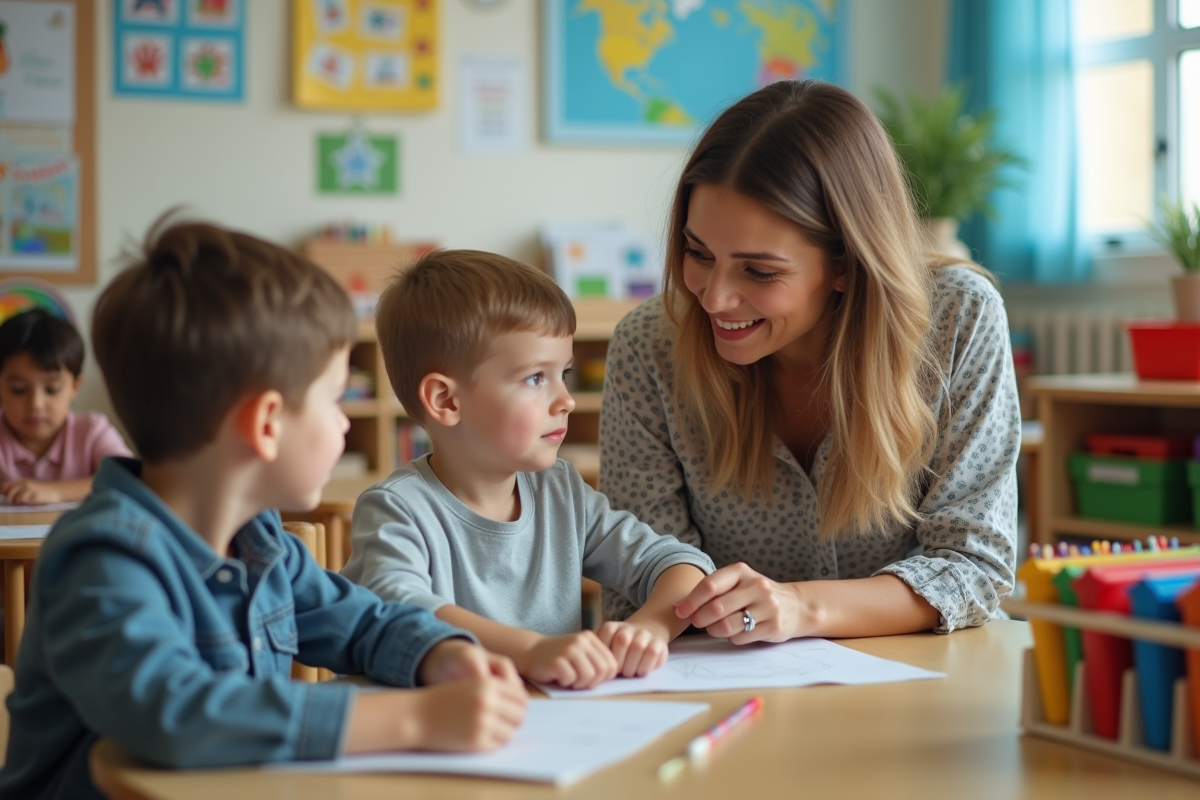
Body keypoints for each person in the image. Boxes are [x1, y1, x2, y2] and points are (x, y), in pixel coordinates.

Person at [0, 220, 527, 800]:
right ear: (266, 424)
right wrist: (419, 721)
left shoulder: (262, 544)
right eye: (334, 399)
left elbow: (364, 622)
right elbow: (174, 715)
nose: (346, 422)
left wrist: (441, 655)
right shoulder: (100, 560)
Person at [599, 79, 1020, 642]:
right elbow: (638, 582)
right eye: (698, 254)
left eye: (759, 271)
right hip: (724, 690)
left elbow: (974, 567)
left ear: (847, 264)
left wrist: (800, 609)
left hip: (919, 680)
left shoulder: (958, 320)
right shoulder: (649, 347)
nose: (714, 297)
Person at [341, 250, 715, 690]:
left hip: (544, 725)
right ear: (446, 401)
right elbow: (399, 606)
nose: (566, 400)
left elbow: (680, 562)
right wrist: (531, 651)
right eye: (536, 378)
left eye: (566, 374)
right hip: (437, 733)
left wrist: (648, 629)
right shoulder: (396, 509)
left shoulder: (560, 492)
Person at [0, 308, 131, 505]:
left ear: (75, 386)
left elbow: (130, 479)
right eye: (18, 389)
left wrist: (56, 492)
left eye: (52, 389)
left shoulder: (91, 431)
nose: (36, 404)